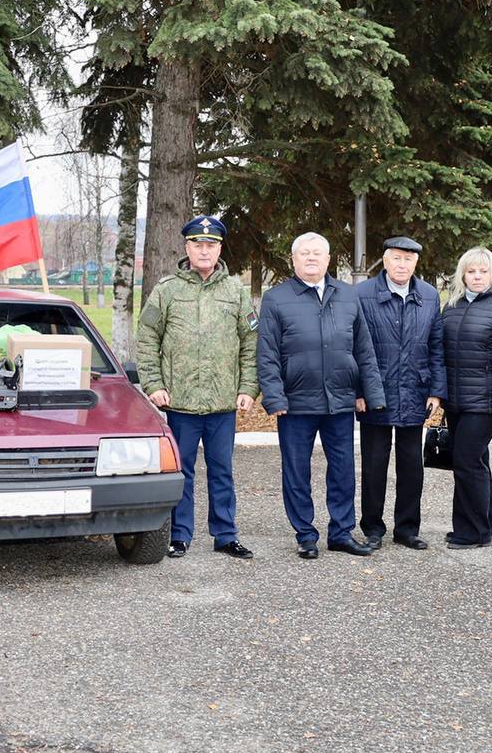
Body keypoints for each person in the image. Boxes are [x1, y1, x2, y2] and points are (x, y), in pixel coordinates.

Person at [136, 215, 259, 560]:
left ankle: (226, 534)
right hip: (180, 403)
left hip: (222, 402)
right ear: (187, 247)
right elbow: (147, 339)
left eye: (211, 245)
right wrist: (153, 384)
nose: (204, 251)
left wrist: (248, 387)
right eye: (198, 244)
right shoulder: (167, 290)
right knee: (182, 471)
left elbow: (251, 343)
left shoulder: (235, 291)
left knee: (223, 471)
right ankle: (179, 534)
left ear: (220, 249)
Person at [257, 231, 385, 559]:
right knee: (296, 471)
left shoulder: (347, 295)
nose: (311, 258)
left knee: (343, 471)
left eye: (318, 253)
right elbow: (267, 353)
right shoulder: (276, 298)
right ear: (294, 259)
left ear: (328, 260)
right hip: (295, 403)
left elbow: (363, 348)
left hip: (339, 401)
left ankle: (341, 532)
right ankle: (305, 534)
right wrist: (274, 397)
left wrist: (369, 393)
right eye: (305, 253)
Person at [356, 236, 446, 551]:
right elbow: (352, 347)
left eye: (408, 259)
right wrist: (358, 390)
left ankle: (407, 529)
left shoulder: (429, 295)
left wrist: (436, 391)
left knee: (411, 466)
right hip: (375, 392)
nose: (402, 264)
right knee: (374, 465)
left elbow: (436, 346)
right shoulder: (363, 294)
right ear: (385, 260)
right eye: (396, 258)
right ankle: (372, 528)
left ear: (416, 263)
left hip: (414, 391)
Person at [440, 247, 492, 549]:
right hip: (455, 400)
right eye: (471, 271)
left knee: (466, 461)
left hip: (486, 402)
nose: (477, 276)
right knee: (476, 459)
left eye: (483, 271)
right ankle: (485, 522)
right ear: (463, 274)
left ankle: (474, 532)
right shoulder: (451, 307)